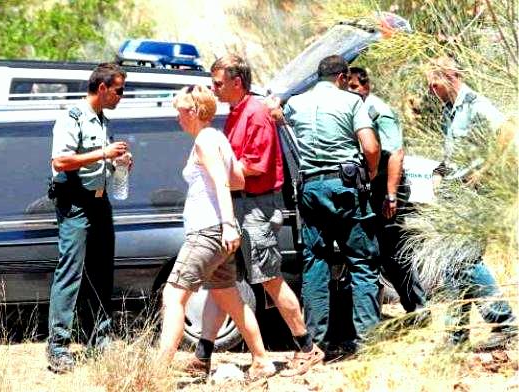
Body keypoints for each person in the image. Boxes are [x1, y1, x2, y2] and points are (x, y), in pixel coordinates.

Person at [187, 55, 323, 378]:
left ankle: (306, 347)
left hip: (257, 207)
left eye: (218, 83)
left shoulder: (256, 112)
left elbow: (256, 166)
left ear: (237, 82)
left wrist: (221, 173)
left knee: (269, 278)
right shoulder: (237, 113)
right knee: (223, 281)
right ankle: (203, 354)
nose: (213, 89)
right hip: (242, 205)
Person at [157, 85, 276, 380]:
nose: (178, 117)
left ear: (194, 111)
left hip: (207, 232)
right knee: (230, 298)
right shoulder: (218, 138)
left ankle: (156, 372)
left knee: (173, 297)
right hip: (218, 234)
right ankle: (261, 360)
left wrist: (227, 224)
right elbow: (238, 180)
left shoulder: (205, 142)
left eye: (181, 111)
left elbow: (224, 183)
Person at [282, 55, 381, 361]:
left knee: (316, 262)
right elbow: (370, 147)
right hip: (346, 186)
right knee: (362, 262)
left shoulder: (296, 104)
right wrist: (372, 173)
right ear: (341, 77)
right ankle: (368, 342)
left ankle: (316, 343)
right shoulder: (352, 103)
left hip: (310, 188)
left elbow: (279, 120)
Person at [426, 56, 517, 351]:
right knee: (453, 265)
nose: (431, 87)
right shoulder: (450, 111)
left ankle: (506, 323)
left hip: (476, 197)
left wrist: (484, 171)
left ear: (451, 75)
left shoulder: (477, 104)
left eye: (435, 80)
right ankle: (457, 335)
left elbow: (506, 132)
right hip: (456, 196)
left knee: (465, 261)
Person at [47, 63, 131, 373]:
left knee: (101, 271)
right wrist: (104, 154)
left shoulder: (102, 121)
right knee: (70, 273)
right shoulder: (72, 117)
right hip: (76, 204)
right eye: (119, 90)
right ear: (102, 88)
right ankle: (58, 346)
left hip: (100, 203)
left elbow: (99, 163)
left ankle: (100, 338)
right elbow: (61, 160)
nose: (122, 96)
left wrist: (118, 163)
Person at [347, 67, 429, 321]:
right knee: (379, 252)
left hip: (387, 187)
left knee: (394, 251)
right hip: (372, 186)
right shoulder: (354, 110)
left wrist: (390, 195)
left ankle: (418, 308)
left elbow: (395, 154)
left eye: (354, 87)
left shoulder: (378, 111)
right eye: (347, 87)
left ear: (366, 86)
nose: (350, 92)